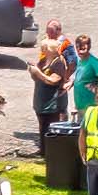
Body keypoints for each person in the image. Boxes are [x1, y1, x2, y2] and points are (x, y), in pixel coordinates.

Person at [29, 22, 71, 153]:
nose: (42, 51)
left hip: (52, 105)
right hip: (41, 103)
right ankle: (43, 150)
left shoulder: (58, 62)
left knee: (52, 128)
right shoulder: (43, 61)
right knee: (43, 127)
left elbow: (53, 80)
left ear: (50, 50)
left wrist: (38, 73)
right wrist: (32, 72)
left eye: (44, 49)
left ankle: (53, 153)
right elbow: (37, 77)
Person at [70, 33, 98, 128]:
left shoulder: (93, 62)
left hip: (91, 107)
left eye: (84, 45)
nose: (81, 48)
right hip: (81, 106)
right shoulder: (80, 61)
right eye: (78, 46)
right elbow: (83, 78)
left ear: (89, 46)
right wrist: (72, 83)